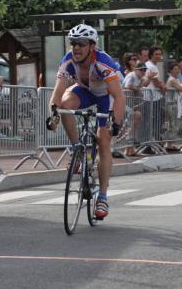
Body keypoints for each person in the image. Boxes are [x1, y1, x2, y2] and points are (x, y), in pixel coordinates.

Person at [48, 24, 125, 220]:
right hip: (84, 90)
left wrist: (115, 122)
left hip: (105, 96)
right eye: (73, 43)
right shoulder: (67, 61)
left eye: (81, 44)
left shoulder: (102, 61)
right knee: (65, 104)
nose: (76, 48)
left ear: (92, 46)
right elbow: (57, 93)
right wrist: (53, 115)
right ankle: (77, 148)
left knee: (104, 142)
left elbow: (119, 96)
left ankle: (103, 197)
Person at [122, 62, 151, 156]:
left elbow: (144, 85)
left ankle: (130, 149)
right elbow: (127, 87)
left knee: (133, 124)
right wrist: (137, 89)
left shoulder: (140, 78)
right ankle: (127, 147)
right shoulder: (132, 76)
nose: (143, 71)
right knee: (134, 121)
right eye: (141, 69)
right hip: (124, 104)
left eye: (145, 70)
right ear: (136, 70)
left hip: (131, 104)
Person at [144, 46, 166, 146]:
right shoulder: (151, 66)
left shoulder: (150, 65)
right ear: (151, 55)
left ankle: (153, 142)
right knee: (156, 120)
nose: (158, 56)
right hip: (152, 97)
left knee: (153, 120)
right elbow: (157, 83)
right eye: (156, 54)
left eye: (160, 54)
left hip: (152, 97)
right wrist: (163, 87)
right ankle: (155, 142)